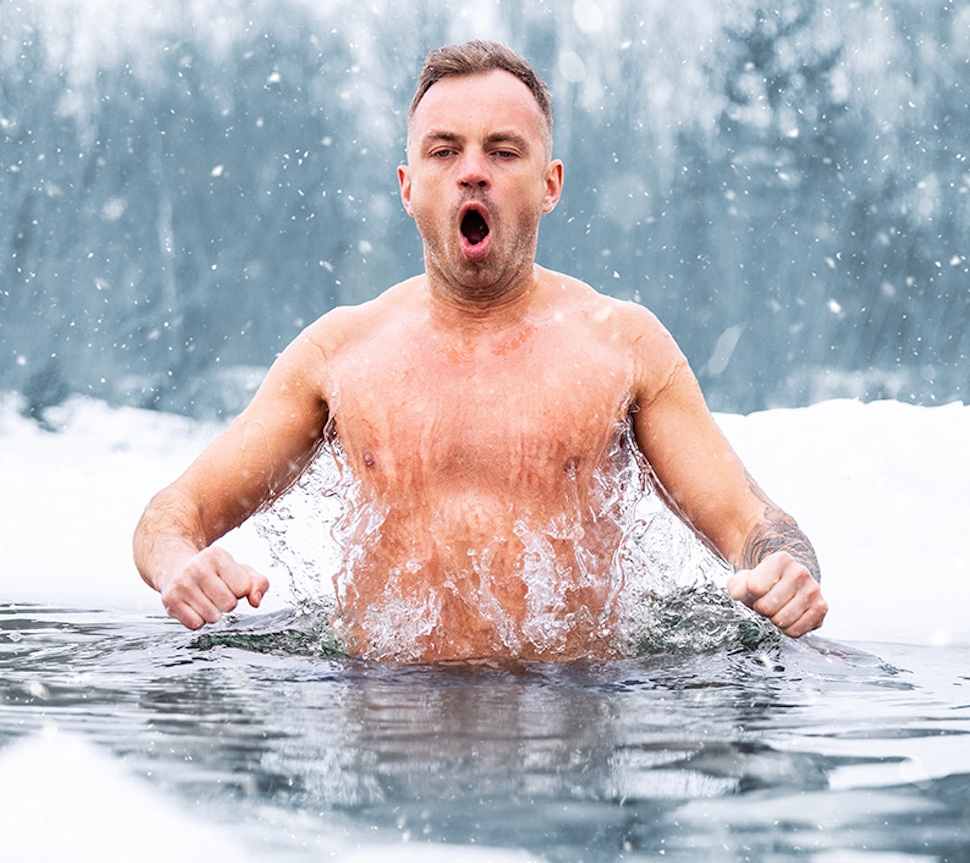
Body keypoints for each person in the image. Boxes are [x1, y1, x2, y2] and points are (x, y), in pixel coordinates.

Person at [133, 40, 827, 661]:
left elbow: (755, 523)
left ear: (549, 184)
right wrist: (177, 563)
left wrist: (787, 570)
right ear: (408, 189)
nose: (472, 171)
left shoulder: (622, 346)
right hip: (384, 721)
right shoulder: (340, 352)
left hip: (571, 717)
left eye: (502, 150)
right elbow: (173, 514)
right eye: (443, 151)